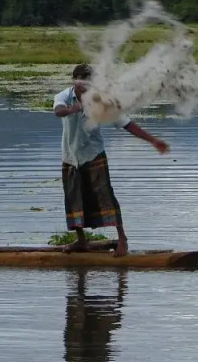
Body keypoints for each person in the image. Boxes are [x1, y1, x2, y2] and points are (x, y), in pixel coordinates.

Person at [53, 63, 169, 257]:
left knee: (106, 196)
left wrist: (153, 140)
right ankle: (81, 240)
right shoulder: (64, 96)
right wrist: (76, 108)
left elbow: (127, 124)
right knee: (73, 198)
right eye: (83, 82)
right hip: (71, 156)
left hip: (94, 155)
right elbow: (59, 111)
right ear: (75, 81)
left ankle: (122, 239)